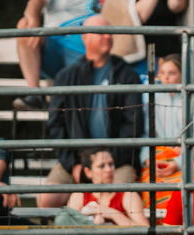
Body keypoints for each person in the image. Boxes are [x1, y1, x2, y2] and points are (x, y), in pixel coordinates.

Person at [41, 16, 144, 209]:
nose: (108, 36)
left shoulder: (128, 75)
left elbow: (134, 125)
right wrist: (74, 164)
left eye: (110, 32)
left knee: (121, 201)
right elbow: (55, 126)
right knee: (46, 200)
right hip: (78, 160)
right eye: (100, 32)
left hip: (118, 161)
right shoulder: (66, 76)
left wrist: (108, 162)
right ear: (85, 37)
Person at [14, 0, 114, 109]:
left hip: (92, 55)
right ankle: (34, 94)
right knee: (24, 24)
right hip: (56, 52)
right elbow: (36, 1)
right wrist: (34, 18)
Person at [140, 54, 194, 215]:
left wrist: (178, 162)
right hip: (156, 158)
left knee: (182, 191)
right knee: (150, 189)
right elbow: (144, 133)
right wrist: (147, 159)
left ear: (181, 74)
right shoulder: (150, 96)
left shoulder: (193, 99)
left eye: (172, 73)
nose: (166, 77)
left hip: (186, 158)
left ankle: (177, 233)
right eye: (163, 73)